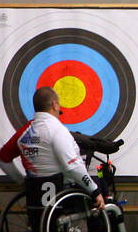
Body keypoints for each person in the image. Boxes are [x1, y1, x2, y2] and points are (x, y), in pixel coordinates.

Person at [8, 87, 106, 221]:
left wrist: (23, 183)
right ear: (54, 105)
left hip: (35, 194)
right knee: (101, 186)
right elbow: (73, 167)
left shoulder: (23, 134)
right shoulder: (57, 130)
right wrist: (95, 191)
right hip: (63, 192)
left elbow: (2, 159)